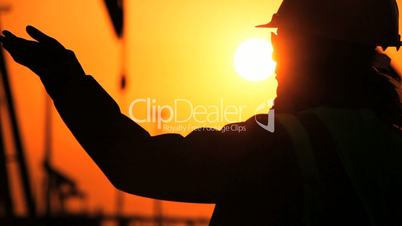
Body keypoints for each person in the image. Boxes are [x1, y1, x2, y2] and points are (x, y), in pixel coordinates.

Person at [1, 0, 401, 225]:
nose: (274, 52)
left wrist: (65, 80)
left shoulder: (277, 143)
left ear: (319, 51)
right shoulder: (390, 138)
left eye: (283, 38)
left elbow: (138, 164)